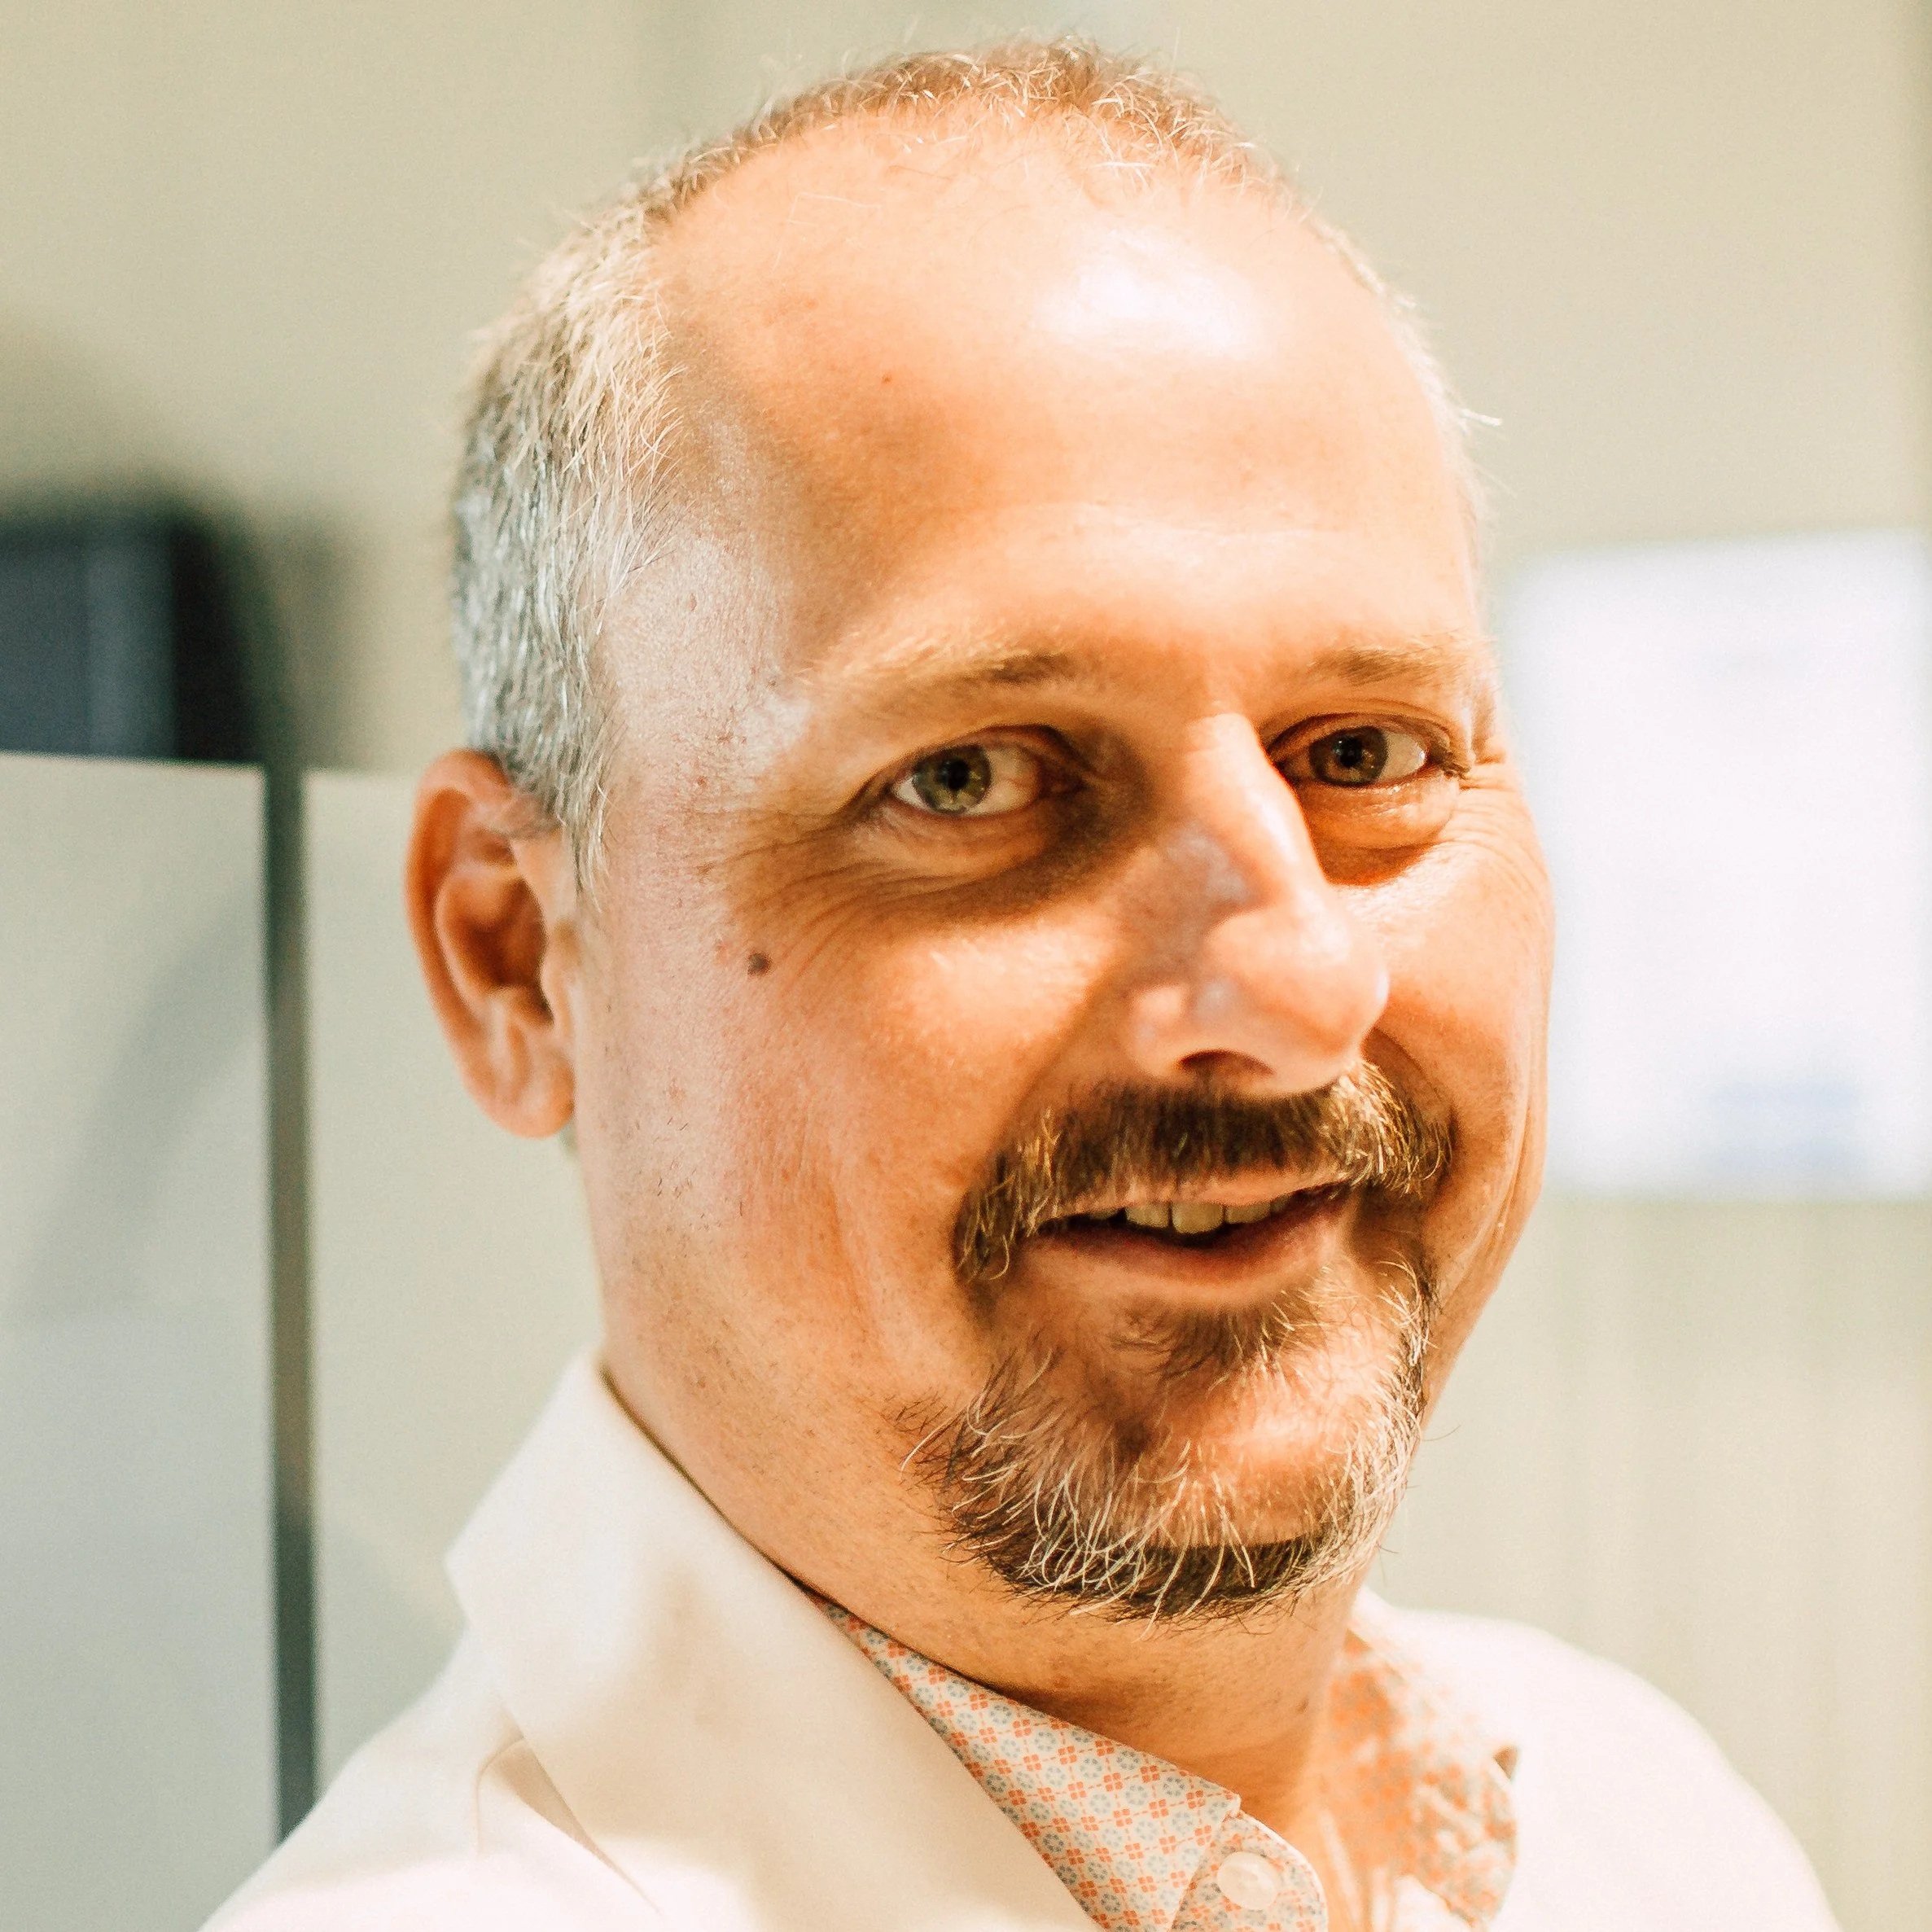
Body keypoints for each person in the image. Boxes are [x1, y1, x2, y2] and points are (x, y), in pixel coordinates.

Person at [211, 39, 1840, 1932]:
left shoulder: (1642, 1816)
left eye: (1365, 754)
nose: (1294, 980)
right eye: (973, 778)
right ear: (514, 957)